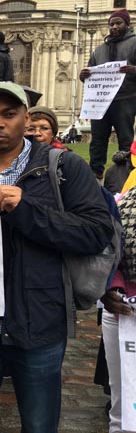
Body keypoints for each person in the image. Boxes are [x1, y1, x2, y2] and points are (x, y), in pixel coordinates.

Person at [0, 81, 114, 433]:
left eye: (9, 114)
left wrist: (27, 209)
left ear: (26, 118)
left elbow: (96, 232)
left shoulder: (63, 167)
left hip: (40, 323)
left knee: (39, 423)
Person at [79, 9, 136, 180]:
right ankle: (96, 172)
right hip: (100, 101)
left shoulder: (134, 43)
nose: (114, 27)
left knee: (125, 137)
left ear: (127, 24)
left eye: (118, 23)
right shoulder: (99, 50)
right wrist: (84, 76)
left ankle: (127, 171)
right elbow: (91, 73)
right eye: (111, 24)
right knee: (98, 138)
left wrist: (134, 70)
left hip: (125, 98)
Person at [100, 185, 136, 433]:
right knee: (123, 407)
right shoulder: (126, 200)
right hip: (123, 315)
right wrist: (113, 286)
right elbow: (109, 252)